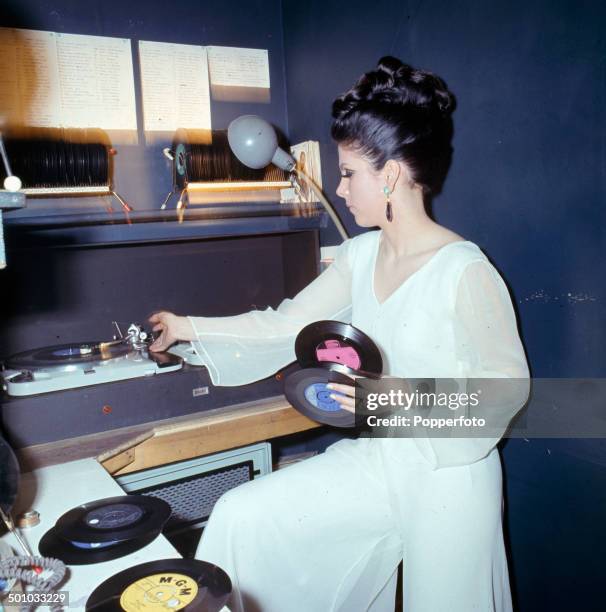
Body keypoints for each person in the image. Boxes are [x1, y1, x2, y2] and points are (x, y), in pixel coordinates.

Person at [149, 56, 529, 612]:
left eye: (349, 172)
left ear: (392, 175)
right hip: (380, 461)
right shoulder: (360, 254)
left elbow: (508, 391)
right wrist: (188, 327)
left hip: (449, 482)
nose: (340, 187)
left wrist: (396, 394)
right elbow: (285, 323)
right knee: (243, 516)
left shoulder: (465, 270)